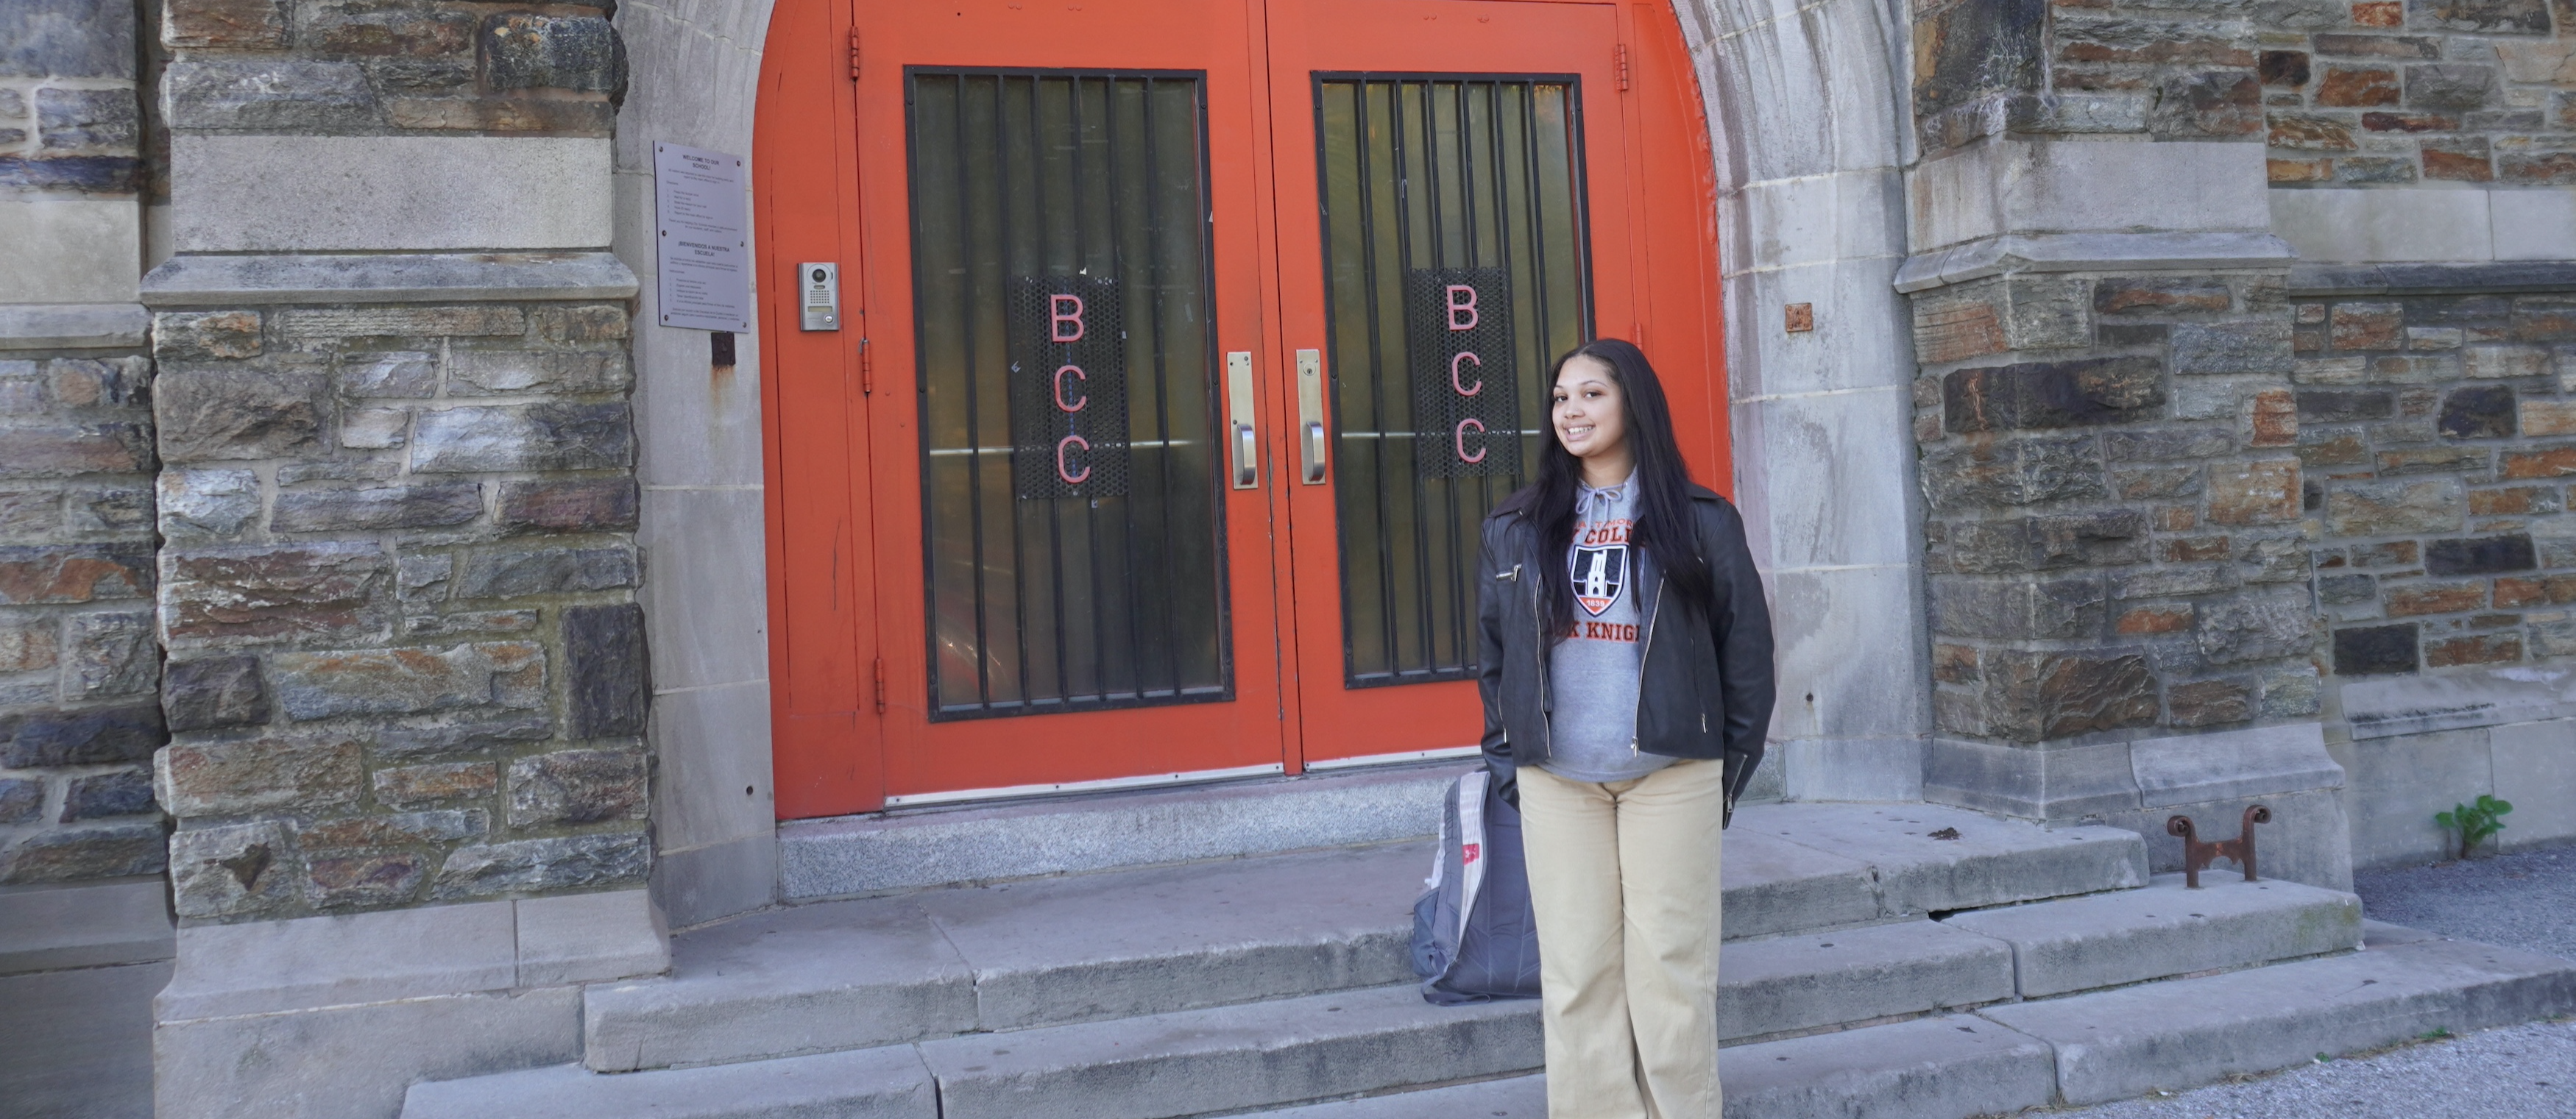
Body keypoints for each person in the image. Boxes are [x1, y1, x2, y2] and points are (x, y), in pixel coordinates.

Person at [1473, 338, 1775, 1119]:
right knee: (1576, 976)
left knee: (1669, 972)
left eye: (1590, 395)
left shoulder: (1700, 521)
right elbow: (1493, 655)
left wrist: (1727, 769)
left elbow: (1745, 654)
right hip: (1557, 780)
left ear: (1631, 403)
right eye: (1559, 398)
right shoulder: (1514, 526)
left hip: (1669, 774)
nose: (1569, 411)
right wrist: (1510, 761)